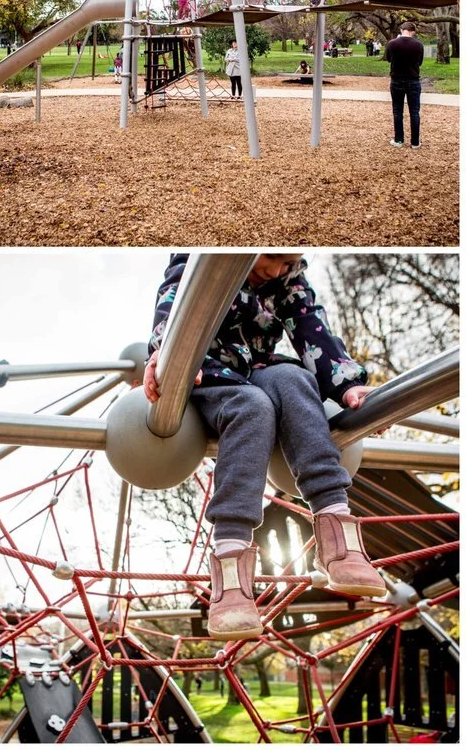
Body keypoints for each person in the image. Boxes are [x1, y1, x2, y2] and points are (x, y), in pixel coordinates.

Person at [144, 254, 386, 642]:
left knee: (295, 379)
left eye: (286, 260)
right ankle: (231, 573)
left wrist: (346, 383)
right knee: (251, 407)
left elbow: (312, 328)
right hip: (208, 371)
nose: (275, 269)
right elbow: (173, 307)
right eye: (271, 256)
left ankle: (338, 535)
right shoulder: (203, 262)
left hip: (260, 368)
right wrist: (166, 357)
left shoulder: (286, 280)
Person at [384, 21, 425, 149]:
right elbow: (420, 62)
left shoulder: (392, 44)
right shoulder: (418, 45)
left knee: (397, 111)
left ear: (402, 29)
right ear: (413, 31)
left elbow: (389, 59)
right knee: (414, 112)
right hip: (413, 80)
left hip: (396, 80)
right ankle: (415, 142)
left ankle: (399, 139)